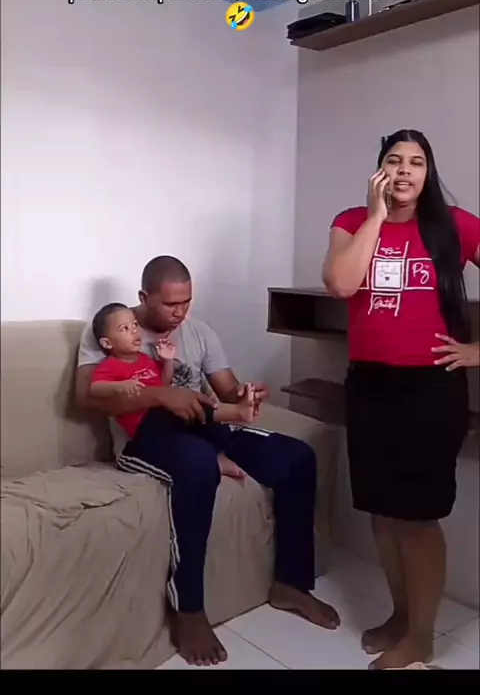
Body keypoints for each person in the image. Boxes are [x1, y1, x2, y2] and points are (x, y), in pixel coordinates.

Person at [76, 256, 340, 666]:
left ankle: (291, 583)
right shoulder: (113, 327)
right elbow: (86, 395)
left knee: (297, 457)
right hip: (144, 440)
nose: (180, 313)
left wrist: (245, 395)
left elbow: (227, 389)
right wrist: (162, 395)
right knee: (199, 462)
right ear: (144, 297)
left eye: (186, 302)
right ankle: (189, 610)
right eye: (170, 304)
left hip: (202, 426)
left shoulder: (198, 332)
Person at [322, 129, 480, 670]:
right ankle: (400, 617)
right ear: (380, 170)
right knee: (383, 515)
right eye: (395, 160)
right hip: (370, 387)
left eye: (417, 162)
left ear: (429, 173)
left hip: (430, 392)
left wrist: (478, 352)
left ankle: (422, 637)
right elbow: (342, 284)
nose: (406, 170)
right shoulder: (350, 222)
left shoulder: (456, 226)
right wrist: (376, 216)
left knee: (417, 518)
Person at [90, 301, 256, 469]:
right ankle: (238, 412)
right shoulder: (110, 365)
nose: (134, 331)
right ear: (107, 343)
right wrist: (119, 386)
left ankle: (221, 452)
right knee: (189, 409)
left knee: (204, 421)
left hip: (165, 416)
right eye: (124, 329)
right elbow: (95, 388)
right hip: (144, 424)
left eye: (134, 325)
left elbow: (164, 383)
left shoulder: (145, 359)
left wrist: (168, 360)